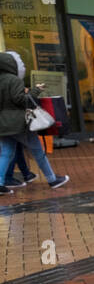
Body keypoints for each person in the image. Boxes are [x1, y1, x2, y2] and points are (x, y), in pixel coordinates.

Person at [1, 51, 69, 193]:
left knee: (6, 153)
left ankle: (0, 181)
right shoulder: (13, 80)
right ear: (11, 64)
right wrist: (35, 91)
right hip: (19, 124)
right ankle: (52, 179)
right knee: (38, 151)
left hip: (3, 124)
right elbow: (22, 100)